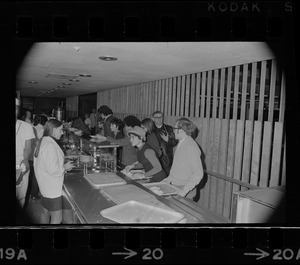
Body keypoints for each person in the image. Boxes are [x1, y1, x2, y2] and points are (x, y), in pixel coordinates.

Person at [34, 119, 74, 224]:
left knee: (45, 213)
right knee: (57, 219)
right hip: (52, 189)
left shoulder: (43, 140)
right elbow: (53, 170)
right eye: (60, 130)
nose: (62, 132)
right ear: (53, 130)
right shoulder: (50, 146)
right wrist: (65, 167)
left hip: (44, 185)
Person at [161, 117, 203, 198]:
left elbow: (198, 173)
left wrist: (184, 190)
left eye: (175, 128)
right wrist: (169, 179)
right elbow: (179, 166)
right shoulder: (181, 143)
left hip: (183, 188)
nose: (173, 130)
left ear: (181, 130)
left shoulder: (190, 146)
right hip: (175, 186)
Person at [16, 98, 35, 209]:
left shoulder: (26, 127)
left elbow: (28, 147)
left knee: (21, 197)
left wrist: (26, 159)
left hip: (21, 166)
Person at [28, 114, 48, 200]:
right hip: (35, 155)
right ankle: (34, 194)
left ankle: (29, 193)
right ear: (43, 121)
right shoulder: (42, 130)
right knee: (36, 175)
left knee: (31, 174)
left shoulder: (31, 127)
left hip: (29, 154)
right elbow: (40, 144)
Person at [152, 110, 178, 175]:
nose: (159, 119)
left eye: (161, 117)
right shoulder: (151, 130)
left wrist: (168, 140)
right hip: (154, 158)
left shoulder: (169, 129)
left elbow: (174, 142)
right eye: (157, 117)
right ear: (153, 119)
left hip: (167, 160)